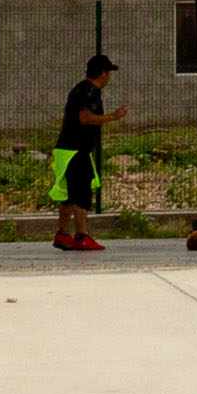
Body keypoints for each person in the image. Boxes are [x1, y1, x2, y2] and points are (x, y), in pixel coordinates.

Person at [52, 50, 122, 253]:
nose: (109, 77)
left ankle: (62, 233)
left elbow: (67, 118)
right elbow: (85, 117)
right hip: (77, 150)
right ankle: (82, 235)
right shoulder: (91, 92)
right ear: (103, 73)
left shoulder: (77, 89)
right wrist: (113, 116)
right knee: (81, 193)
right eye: (108, 73)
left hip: (66, 149)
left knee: (69, 195)